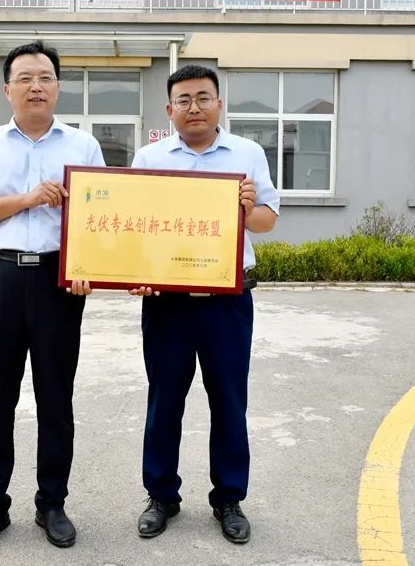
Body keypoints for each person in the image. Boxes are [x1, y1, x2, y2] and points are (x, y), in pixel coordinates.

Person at [0, 41, 104, 554]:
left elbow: (98, 219)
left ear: (58, 87)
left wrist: (89, 267)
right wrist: (29, 199)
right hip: (0, 276)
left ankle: (52, 504)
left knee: (56, 398)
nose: (36, 86)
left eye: (45, 77)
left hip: (59, 282)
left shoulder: (83, 147)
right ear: (7, 89)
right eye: (25, 78)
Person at [129, 64, 279, 544]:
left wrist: (247, 208)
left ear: (219, 104)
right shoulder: (150, 158)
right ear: (169, 109)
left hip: (227, 300)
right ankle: (161, 496)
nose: (194, 107)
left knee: (229, 402)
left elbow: (267, 221)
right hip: (167, 302)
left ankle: (229, 499)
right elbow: (135, 225)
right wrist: (136, 274)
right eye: (184, 100)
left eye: (202, 97)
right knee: (164, 401)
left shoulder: (247, 154)